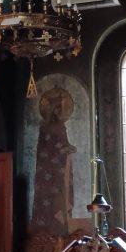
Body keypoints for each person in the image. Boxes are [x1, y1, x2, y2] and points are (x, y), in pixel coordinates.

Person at [32, 86, 76, 236]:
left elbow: (64, 144)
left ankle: (61, 229)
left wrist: (70, 148)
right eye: (56, 108)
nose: (59, 111)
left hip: (60, 169)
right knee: (48, 200)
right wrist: (61, 151)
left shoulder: (61, 126)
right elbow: (44, 150)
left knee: (61, 197)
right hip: (48, 170)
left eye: (60, 108)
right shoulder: (44, 127)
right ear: (51, 109)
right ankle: (44, 233)